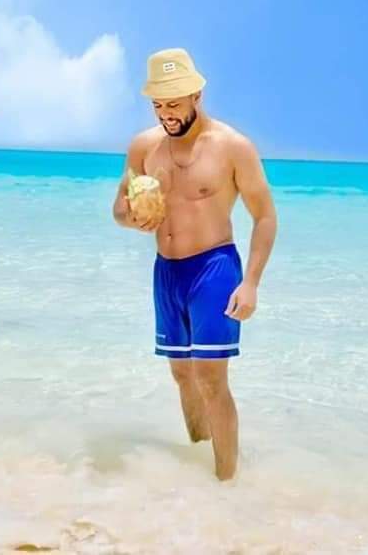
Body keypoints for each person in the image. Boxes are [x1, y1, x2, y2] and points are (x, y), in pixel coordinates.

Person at [112, 47, 277, 480]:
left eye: (174, 103)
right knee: (182, 375)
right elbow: (119, 209)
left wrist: (251, 283)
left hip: (214, 268)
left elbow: (265, 217)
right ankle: (198, 467)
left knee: (210, 377)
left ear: (196, 95)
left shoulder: (232, 147)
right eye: (158, 105)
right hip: (167, 271)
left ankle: (227, 483)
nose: (166, 113)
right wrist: (134, 218)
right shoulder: (144, 147)